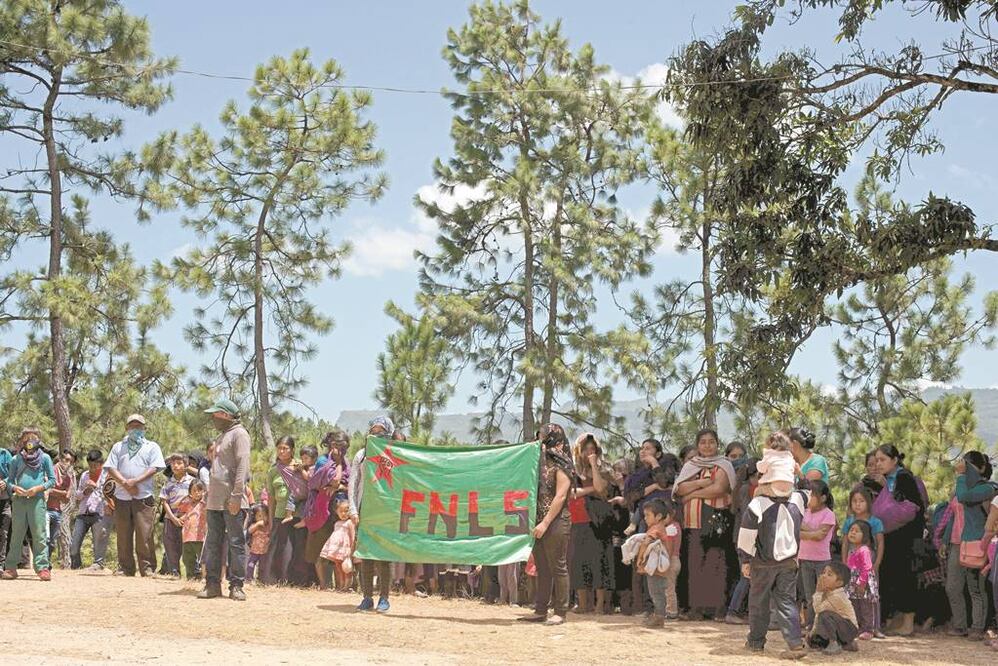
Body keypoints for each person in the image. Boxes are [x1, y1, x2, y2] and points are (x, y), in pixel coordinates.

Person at [737, 477, 808, 659]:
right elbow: (808, 490)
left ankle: (755, 642)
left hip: (763, 564)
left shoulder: (758, 504)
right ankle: (795, 643)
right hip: (789, 562)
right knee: (786, 602)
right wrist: (801, 473)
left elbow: (746, 535)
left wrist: (745, 560)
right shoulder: (798, 499)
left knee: (759, 603)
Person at [674, 428, 736, 620]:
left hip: (717, 518)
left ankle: (717, 608)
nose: (707, 445)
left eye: (711, 442)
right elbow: (680, 488)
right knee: (695, 564)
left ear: (718, 444)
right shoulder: (691, 465)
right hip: (693, 521)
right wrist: (702, 483)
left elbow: (719, 488)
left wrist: (692, 493)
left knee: (716, 562)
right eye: (703, 442)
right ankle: (697, 609)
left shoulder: (724, 465)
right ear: (697, 445)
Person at [518, 423, 573, 626]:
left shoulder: (562, 464)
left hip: (556, 521)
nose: (539, 438)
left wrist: (546, 522)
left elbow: (560, 496)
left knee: (558, 566)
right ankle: (540, 610)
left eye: (542, 435)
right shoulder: (539, 463)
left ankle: (560, 611)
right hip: (538, 521)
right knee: (542, 567)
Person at [870, 444, 925, 636]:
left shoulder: (904, 477)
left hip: (906, 538)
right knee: (892, 578)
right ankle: (897, 619)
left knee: (905, 579)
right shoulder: (889, 479)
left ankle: (908, 623)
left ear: (894, 460)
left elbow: (911, 507)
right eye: (876, 460)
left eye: (882, 459)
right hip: (892, 537)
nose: (878, 463)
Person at [199, 399, 251, 601]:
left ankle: (237, 585)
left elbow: (242, 465)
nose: (213, 418)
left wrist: (237, 495)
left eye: (216, 415)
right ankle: (212, 584)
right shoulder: (222, 436)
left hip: (232, 499)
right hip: (215, 500)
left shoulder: (240, 434)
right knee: (213, 543)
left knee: (236, 543)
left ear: (226, 415)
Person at [104, 414, 166, 577]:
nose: (135, 429)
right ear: (126, 428)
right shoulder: (118, 446)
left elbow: (155, 467)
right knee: (123, 534)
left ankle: (147, 568)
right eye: (132, 426)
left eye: (139, 426)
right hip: (121, 496)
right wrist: (125, 483)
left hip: (143, 496)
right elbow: (110, 467)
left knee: (144, 533)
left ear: (144, 429)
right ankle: (125, 568)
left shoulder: (151, 446)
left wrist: (135, 481)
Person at [947, 451, 996, 639]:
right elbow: (955, 514)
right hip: (965, 541)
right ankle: (962, 625)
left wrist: (960, 477)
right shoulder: (964, 487)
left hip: (981, 542)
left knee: (976, 587)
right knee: (961, 586)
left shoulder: (987, 489)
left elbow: (964, 497)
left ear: (981, 468)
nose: (963, 469)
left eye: (967, 466)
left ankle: (978, 627)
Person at [350, 415, 396, 613]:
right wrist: (353, 509)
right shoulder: (362, 455)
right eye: (374, 432)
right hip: (365, 510)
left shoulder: (396, 454)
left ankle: (384, 598)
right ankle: (367, 596)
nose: (377, 435)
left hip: (386, 512)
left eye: (382, 432)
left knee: (384, 557)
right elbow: (353, 484)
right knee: (366, 556)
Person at [1, 429, 57, 580]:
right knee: (17, 536)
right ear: (22, 441)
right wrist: (14, 488)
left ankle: (43, 568)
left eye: (33, 437)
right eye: (27, 437)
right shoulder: (15, 459)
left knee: (39, 534)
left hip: (37, 501)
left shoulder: (45, 458)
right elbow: (10, 480)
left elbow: (52, 480)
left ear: (38, 440)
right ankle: (11, 567)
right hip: (19, 501)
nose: (30, 440)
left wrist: (38, 488)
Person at [568, 432, 613, 614]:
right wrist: (592, 489)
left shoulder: (604, 468)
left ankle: (600, 604)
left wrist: (594, 465)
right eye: (585, 449)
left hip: (599, 520)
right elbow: (572, 493)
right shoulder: (572, 470)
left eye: (592, 449)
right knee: (579, 561)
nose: (589, 452)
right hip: (578, 518)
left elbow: (602, 489)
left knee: (599, 560)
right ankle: (582, 603)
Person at [303, 434, 349, 590]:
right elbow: (335, 481)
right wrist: (337, 464)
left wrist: (340, 487)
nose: (337, 448)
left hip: (341, 511)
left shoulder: (348, 463)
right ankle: (324, 584)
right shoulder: (324, 461)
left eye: (342, 445)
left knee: (338, 549)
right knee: (322, 548)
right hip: (323, 510)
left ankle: (341, 586)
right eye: (335, 444)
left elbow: (346, 485)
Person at [840, 487, 884, 638]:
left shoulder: (875, 522)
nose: (857, 504)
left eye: (861, 501)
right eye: (854, 501)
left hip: (868, 564)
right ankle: (858, 626)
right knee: (853, 597)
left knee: (871, 597)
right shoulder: (849, 522)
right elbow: (845, 543)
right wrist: (844, 562)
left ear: (869, 503)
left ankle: (874, 627)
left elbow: (880, 543)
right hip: (852, 566)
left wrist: (876, 564)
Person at [725, 458, 760, 624]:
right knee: (747, 576)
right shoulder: (747, 490)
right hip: (747, 539)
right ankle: (733, 610)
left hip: (742, 537)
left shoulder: (742, 489)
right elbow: (750, 513)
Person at [798, 480, 836, 630]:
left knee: (822, 594)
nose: (809, 498)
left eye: (812, 495)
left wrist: (806, 531)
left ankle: (822, 626)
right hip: (804, 558)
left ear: (823, 498)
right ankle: (810, 625)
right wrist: (813, 533)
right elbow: (798, 533)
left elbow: (821, 536)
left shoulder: (829, 514)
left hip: (821, 560)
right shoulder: (803, 512)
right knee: (809, 596)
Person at [640, 498, 682, 626]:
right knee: (661, 590)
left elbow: (649, 542)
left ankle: (662, 615)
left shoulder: (656, 529)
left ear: (658, 516)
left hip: (662, 565)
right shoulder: (663, 528)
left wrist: (641, 549)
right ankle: (660, 615)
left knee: (658, 590)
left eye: (647, 515)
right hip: (664, 564)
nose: (645, 518)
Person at [70, 449, 113, 570]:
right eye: (90, 465)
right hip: (83, 513)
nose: (92, 468)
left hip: (99, 513)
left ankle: (98, 564)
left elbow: (109, 495)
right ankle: (76, 566)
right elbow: (77, 495)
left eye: (95, 465)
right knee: (74, 544)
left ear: (101, 463)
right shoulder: (84, 475)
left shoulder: (107, 475)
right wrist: (85, 491)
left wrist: (96, 487)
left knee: (99, 541)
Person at [808, 561, 859, 655]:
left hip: (849, 629)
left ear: (839, 583)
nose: (823, 576)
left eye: (829, 574)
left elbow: (819, 611)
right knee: (812, 641)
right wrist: (813, 633)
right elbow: (817, 615)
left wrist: (818, 592)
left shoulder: (838, 596)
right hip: (839, 629)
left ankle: (834, 643)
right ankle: (846, 644)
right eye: (823, 572)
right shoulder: (826, 592)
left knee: (825, 615)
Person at [844, 519, 880, 640]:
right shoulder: (853, 550)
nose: (852, 533)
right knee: (855, 605)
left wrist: (861, 582)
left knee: (866, 606)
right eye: (851, 530)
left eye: (857, 531)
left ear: (865, 536)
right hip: (853, 582)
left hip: (863, 583)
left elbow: (867, 567)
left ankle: (868, 629)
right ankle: (858, 628)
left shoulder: (864, 550)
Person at [160, 452, 193, 577]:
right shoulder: (168, 483)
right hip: (170, 518)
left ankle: (193, 572)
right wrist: (173, 518)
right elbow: (164, 501)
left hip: (188, 519)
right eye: (173, 463)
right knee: (170, 545)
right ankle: (174, 571)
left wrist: (185, 516)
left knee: (188, 545)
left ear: (186, 466)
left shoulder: (192, 482)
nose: (175, 466)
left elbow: (195, 500)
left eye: (179, 463)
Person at [47, 449, 77, 569]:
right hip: (45, 508)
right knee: (45, 538)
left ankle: (49, 562)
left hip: (57, 509)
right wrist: (61, 492)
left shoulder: (69, 476)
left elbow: (67, 496)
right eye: (66, 459)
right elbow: (46, 489)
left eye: (71, 461)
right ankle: (42, 563)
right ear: (60, 459)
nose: (68, 463)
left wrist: (54, 491)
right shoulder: (52, 470)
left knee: (53, 541)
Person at [320, 498, 357, 591]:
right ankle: (341, 584)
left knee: (347, 568)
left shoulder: (350, 523)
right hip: (336, 550)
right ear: (336, 512)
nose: (343, 514)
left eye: (346, 511)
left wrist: (351, 550)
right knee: (339, 567)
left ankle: (347, 585)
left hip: (345, 549)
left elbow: (352, 537)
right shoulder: (337, 523)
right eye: (341, 511)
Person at [180, 480, 208, 580]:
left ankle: (204, 576)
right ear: (190, 492)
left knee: (203, 557)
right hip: (187, 536)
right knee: (187, 558)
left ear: (204, 491)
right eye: (194, 491)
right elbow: (181, 510)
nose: (197, 493)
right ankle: (190, 576)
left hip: (200, 536)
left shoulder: (205, 504)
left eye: (200, 490)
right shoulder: (187, 504)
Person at [245, 502, 270, 583]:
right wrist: (257, 524)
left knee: (263, 566)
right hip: (254, 550)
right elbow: (249, 531)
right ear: (255, 517)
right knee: (251, 564)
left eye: (264, 515)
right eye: (259, 516)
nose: (262, 518)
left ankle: (261, 579)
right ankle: (249, 578)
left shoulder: (268, 526)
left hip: (264, 551)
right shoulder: (254, 525)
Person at [0, 441, 12, 572]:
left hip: (5, 500)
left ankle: (1, 564)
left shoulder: (5, 454)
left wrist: (5, 482)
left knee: (4, 533)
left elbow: (13, 475)